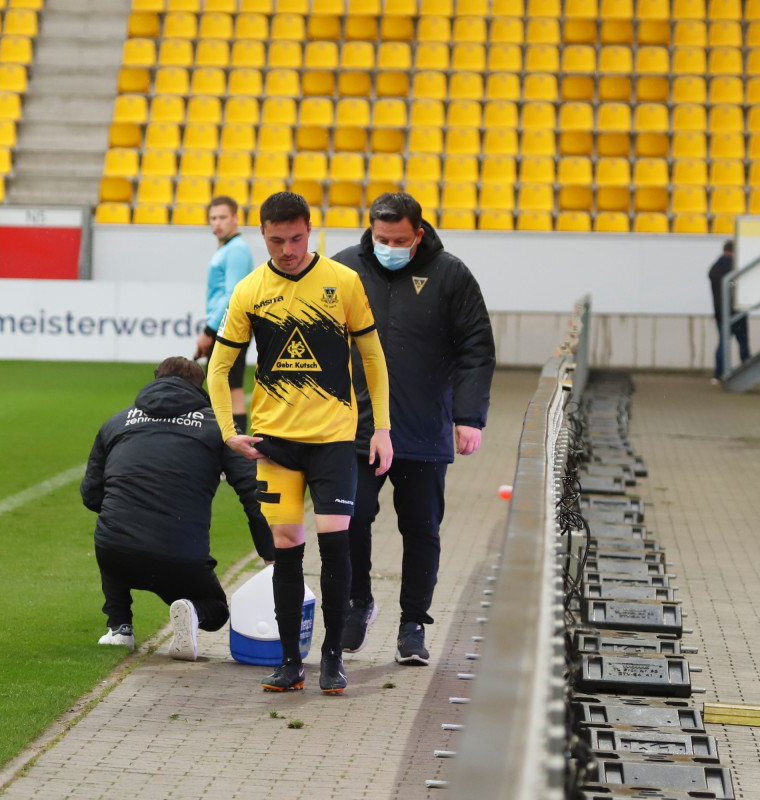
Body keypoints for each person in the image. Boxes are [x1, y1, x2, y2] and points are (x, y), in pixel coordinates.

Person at [208, 191, 393, 694]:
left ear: (309, 231)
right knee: (286, 548)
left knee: (335, 544)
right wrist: (228, 432)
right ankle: (290, 662)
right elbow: (218, 368)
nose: (287, 250)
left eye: (295, 238)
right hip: (275, 445)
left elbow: (373, 357)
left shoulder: (343, 281)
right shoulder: (249, 290)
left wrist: (381, 428)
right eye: (276, 241)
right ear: (262, 235)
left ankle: (333, 657)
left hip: (334, 441)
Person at [332, 192, 495, 666]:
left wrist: (469, 417)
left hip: (424, 429)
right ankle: (358, 602)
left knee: (422, 528)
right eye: (382, 238)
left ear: (418, 235)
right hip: (357, 429)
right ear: (371, 230)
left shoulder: (451, 276)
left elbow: (476, 348)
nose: (389, 247)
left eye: (400, 240)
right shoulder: (342, 270)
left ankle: (413, 623)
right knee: (351, 519)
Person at [80, 356, 275, 662]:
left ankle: (120, 627)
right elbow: (252, 491)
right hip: (180, 553)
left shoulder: (116, 422)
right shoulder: (220, 428)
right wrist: (270, 551)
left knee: (113, 533)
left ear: (155, 378)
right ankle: (193, 612)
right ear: (200, 387)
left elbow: (91, 495)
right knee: (217, 610)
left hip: (117, 549)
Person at [193, 196, 255, 435]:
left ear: (235, 218)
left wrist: (209, 330)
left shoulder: (236, 249)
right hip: (228, 324)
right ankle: (232, 444)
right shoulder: (229, 248)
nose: (217, 223)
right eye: (213, 218)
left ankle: (234, 447)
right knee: (227, 385)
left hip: (231, 325)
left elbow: (232, 293)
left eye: (222, 217)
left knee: (229, 387)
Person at [709, 240, 751, 382]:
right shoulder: (736, 266)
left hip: (720, 313)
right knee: (743, 342)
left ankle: (718, 374)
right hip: (736, 311)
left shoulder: (714, 268)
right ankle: (747, 372)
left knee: (723, 343)